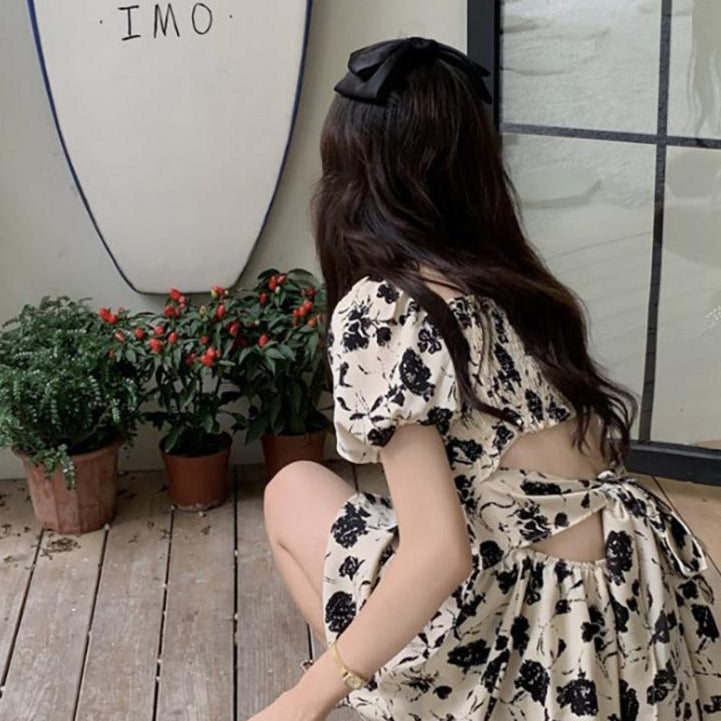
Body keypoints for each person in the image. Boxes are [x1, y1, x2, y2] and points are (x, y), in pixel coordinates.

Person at [256, 36, 721, 721]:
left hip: (526, 632)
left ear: (352, 175)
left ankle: (377, 692)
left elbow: (439, 553)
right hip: (629, 609)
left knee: (291, 488)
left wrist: (302, 700)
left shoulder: (386, 308)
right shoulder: (519, 283)